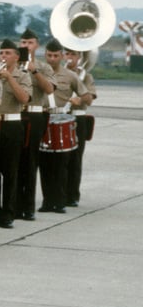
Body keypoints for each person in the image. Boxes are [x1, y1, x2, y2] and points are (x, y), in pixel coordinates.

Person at [38, 40, 90, 213]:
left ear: (61, 56)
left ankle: (60, 201)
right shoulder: (37, 73)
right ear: (45, 55)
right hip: (43, 116)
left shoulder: (71, 76)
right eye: (49, 55)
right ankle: (47, 201)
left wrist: (80, 100)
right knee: (44, 162)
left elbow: (87, 97)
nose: (52, 59)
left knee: (61, 163)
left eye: (56, 55)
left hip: (62, 118)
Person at [0, 39, 32, 229]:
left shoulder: (23, 76)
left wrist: (10, 78)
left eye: (8, 53)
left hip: (12, 124)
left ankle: (8, 213)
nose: (3, 57)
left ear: (16, 56)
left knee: (10, 171)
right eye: (1, 53)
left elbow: (24, 99)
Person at [16, 28, 55, 221]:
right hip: (15, 116)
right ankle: (13, 205)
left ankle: (28, 206)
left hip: (34, 115)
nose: (26, 46)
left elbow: (49, 89)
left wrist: (34, 70)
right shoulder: (11, 65)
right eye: (23, 43)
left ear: (37, 45)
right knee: (13, 161)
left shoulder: (44, 67)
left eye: (29, 42)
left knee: (30, 161)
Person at [64, 49, 96, 208]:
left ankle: (72, 195)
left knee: (75, 158)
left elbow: (89, 99)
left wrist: (79, 97)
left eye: (73, 55)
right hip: (61, 117)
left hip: (78, 117)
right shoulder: (60, 74)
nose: (69, 58)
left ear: (80, 57)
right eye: (67, 54)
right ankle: (58, 193)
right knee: (59, 159)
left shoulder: (87, 76)